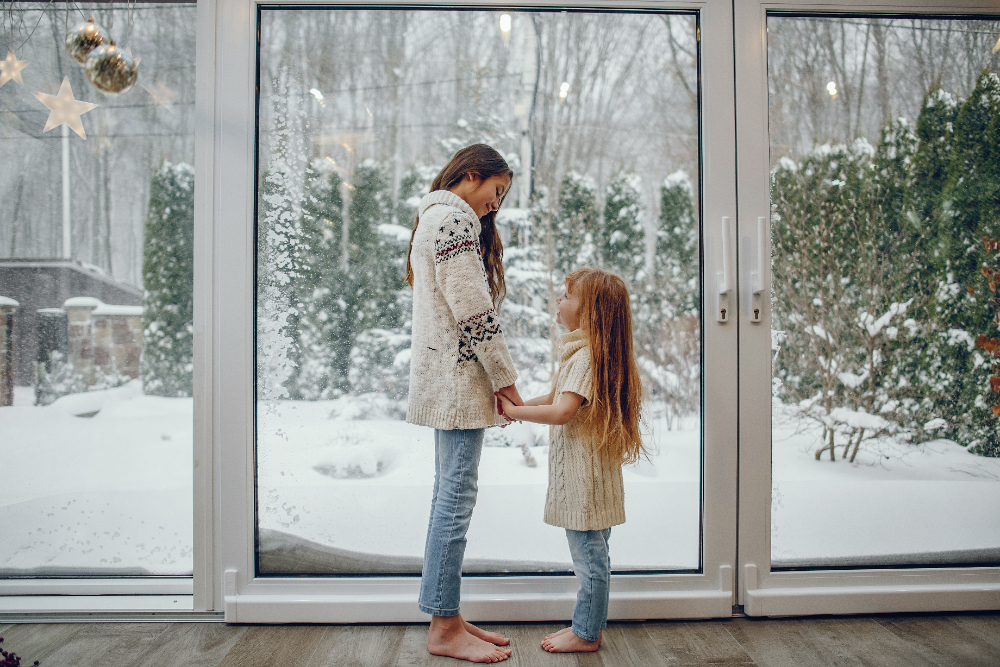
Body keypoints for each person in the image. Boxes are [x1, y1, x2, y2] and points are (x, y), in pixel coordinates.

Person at [405, 144, 523, 663]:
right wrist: (505, 379)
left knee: (448, 497)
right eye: (496, 192)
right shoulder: (453, 226)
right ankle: (443, 626)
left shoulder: (431, 219)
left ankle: (446, 613)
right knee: (455, 500)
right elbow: (474, 312)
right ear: (471, 176)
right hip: (457, 383)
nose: (495, 206)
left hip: (443, 381)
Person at [497, 267, 645, 654]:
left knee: (590, 560)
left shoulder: (586, 358)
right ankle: (586, 626)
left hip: (584, 482)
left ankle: (587, 632)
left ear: (590, 311)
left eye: (566, 296)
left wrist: (518, 413)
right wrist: (514, 408)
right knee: (595, 555)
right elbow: (556, 395)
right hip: (594, 478)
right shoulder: (588, 354)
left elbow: (562, 411)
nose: (558, 302)